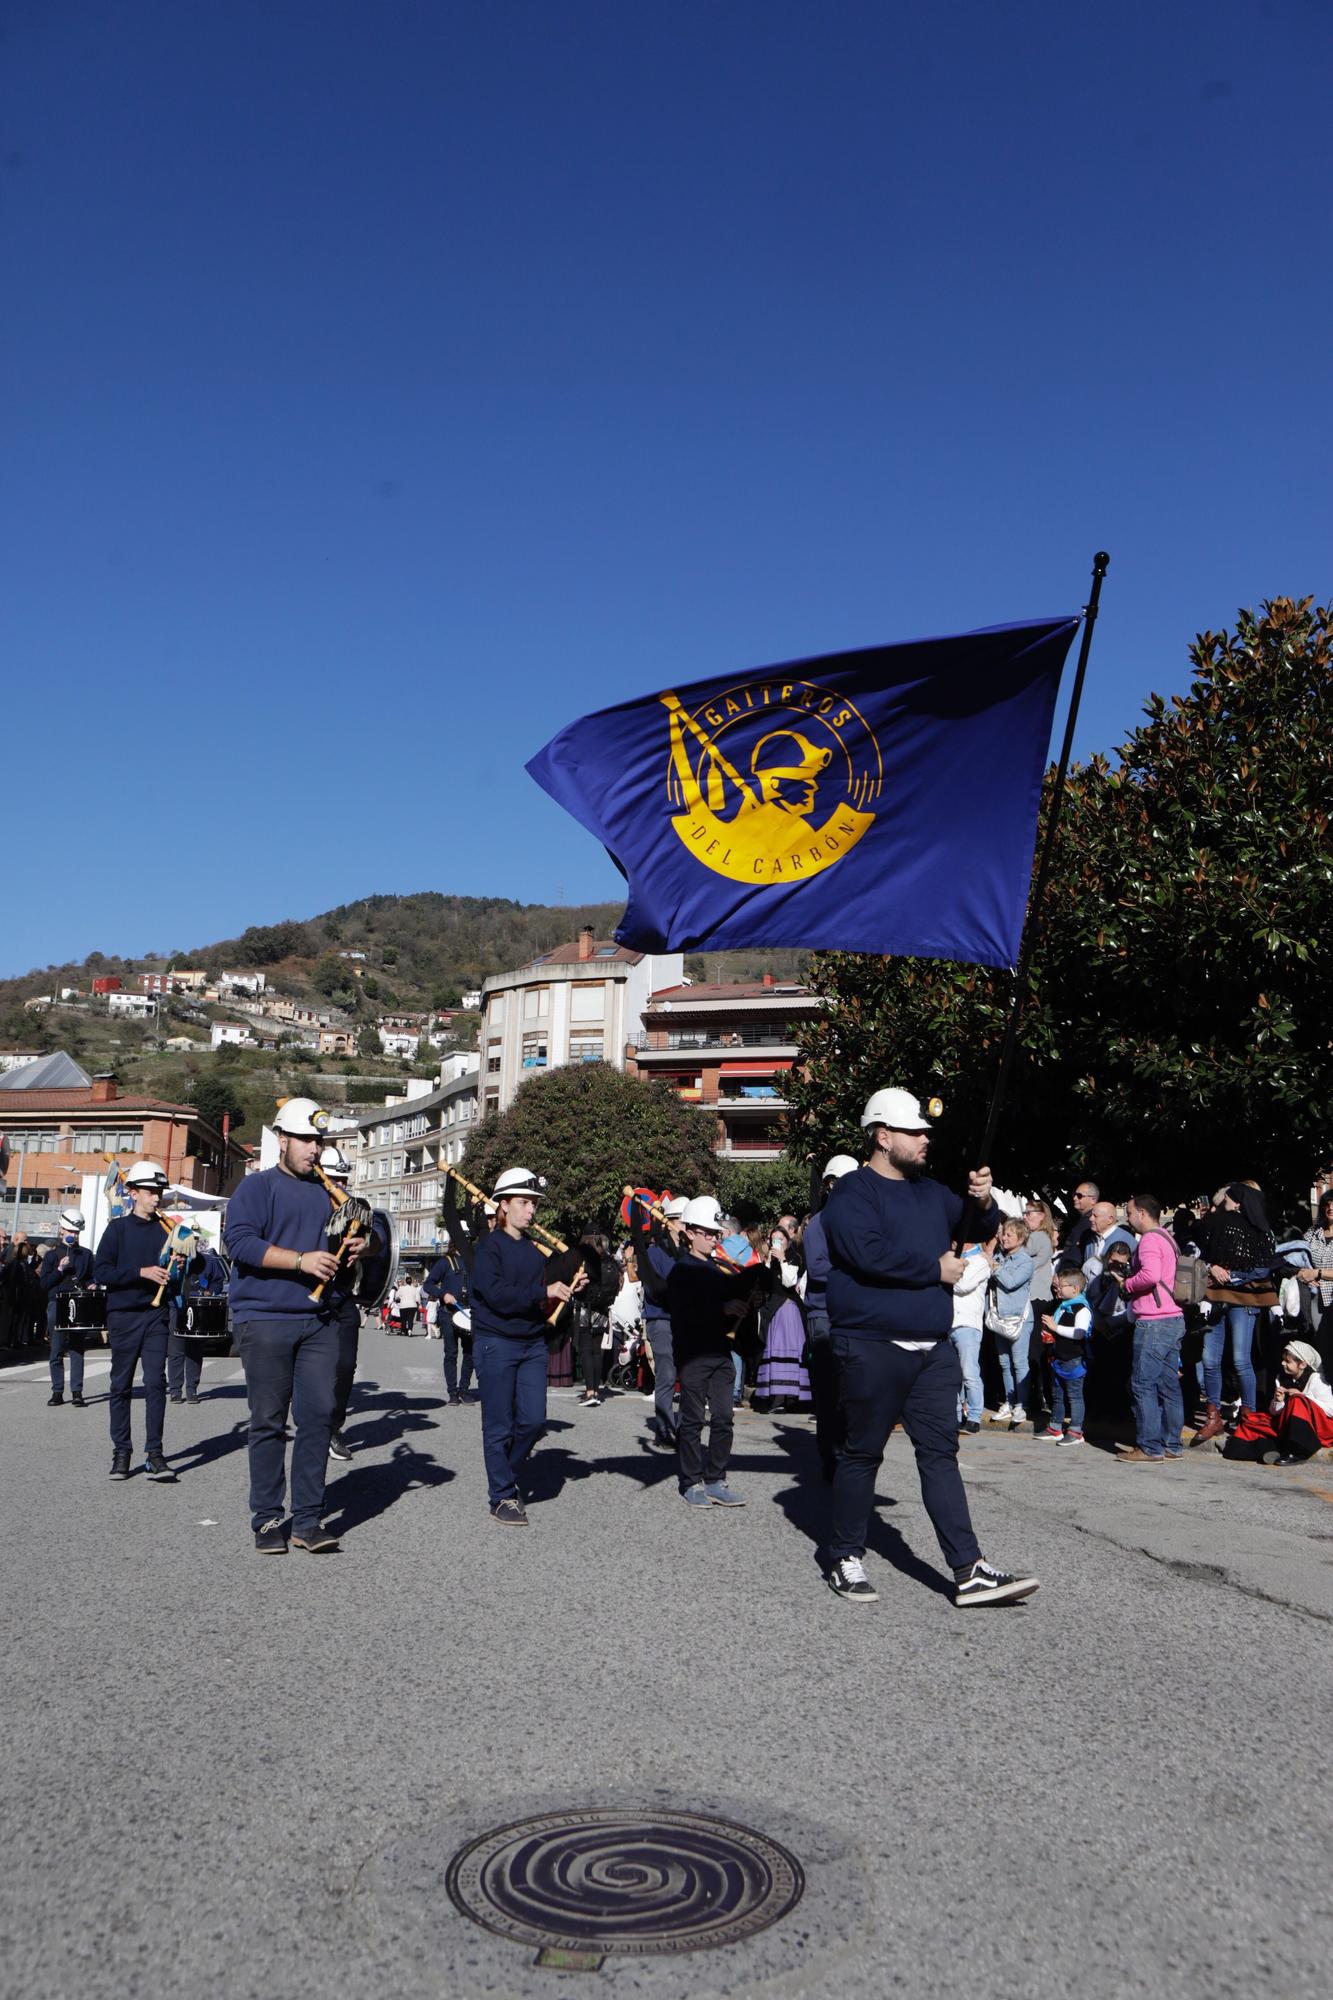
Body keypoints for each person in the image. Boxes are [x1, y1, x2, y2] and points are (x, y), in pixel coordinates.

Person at [823, 1086, 1039, 1608]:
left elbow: (982, 1223)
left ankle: (969, 1570)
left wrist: (983, 1198)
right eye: (914, 1132)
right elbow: (862, 1254)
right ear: (882, 1136)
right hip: (872, 1344)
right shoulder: (853, 1192)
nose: (926, 1140)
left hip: (934, 1349)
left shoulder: (932, 1191)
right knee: (862, 1453)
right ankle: (845, 1555)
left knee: (941, 1455)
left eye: (925, 1132)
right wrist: (931, 1269)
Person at [224, 1097, 364, 1555]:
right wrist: (301, 1260)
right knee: (267, 1420)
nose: (314, 1150)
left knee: (318, 1417)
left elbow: (368, 1236)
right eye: (305, 1140)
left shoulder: (327, 1192)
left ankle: (306, 1520)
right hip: (264, 1317)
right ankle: (267, 1519)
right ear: (282, 1140)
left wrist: (363, 1244)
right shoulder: (257, 1188)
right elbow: (240, 1243)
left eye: (318, 1141)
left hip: (318, 1320)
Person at [470, 1167, 583, 1525]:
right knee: (498, 1426)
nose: (531, 1211)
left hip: (532, 1342)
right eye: (523, 1202)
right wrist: (543, 1292)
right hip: (496, 1342)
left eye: (533, 1204)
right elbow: (498, 1296)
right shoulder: (487, 1248)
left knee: (534, 1422)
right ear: (503, 1205)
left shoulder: (537, 1253)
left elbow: (541, 1299)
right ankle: (501, 1495)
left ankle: (507, 1474)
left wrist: (565, 1290)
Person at [93, 1162, 200, 1483]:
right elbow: (101, 1272)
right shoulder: (117, 1229)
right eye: (150, 1192)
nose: (157, 1198)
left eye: (159, 1192)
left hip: (157, 1314)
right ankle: (121, 1452)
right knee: (120, 1384)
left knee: (156, 1382)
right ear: (133, 1193)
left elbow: (201, 1263)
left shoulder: (169, 1228)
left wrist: (187, 1255)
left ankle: (155, 1454)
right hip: (124, 1314)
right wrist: (141, 1272)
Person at [667, 1196, 754, 1507]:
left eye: (716, 1233)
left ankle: (716, 1479)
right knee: (692, 1420)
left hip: (720, 1353)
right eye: (707, 1232)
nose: (714, 1238)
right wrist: (723, 1308)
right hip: (693, 1355)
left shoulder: (718, 1269)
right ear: (689, 1233)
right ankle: (691, 1481)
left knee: (723, 1418)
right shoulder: (681, 1271)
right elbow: (684, 1315)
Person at [1115, 1193, 1186, 1465]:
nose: (1128, 1218)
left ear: (1143, 1213)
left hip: (1154, 1320)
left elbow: (1151, 1276)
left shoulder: (1149, 1240)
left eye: (1130, 1213)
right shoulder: (1168, 1238)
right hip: (1173, 1317)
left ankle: (1149, 1447)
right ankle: (1172, 1445)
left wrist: (1127, 1284)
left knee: (1143, 1383)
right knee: (1168, 1385)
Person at [316, 1145, 374, 1462]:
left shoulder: (355, 1209)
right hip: (307, 1297)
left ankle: (334, 1428)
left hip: (342, 1296)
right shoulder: (307, 1207)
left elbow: (377, 1240)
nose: (339, 1186)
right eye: (333, 1179)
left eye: (343, 1179)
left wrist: (365, 1245)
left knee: (346, 1365)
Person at [801, 1153, 858, 1478]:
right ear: (832, 1185)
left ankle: (849, 1454)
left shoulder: (860, 1221)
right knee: (828, 1393)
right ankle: (830, 1460)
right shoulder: (818, 1225)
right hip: (824, 1314)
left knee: (852, 1390)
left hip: (853, 1315)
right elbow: (819, 1269)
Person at [1204, 1183, 1277, 1427]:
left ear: (1237, 1202)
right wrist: (1211, 1267)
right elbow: (1204, 1256)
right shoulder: (1220, 1225)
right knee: (1210, 1359)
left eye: (1229, 1198)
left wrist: (1232, 1276)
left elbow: (1262, 1268)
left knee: (1240, 1359)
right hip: (1217, 1299)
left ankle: (1250, 1418)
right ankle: (1212, 1416)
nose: (1224, 1201)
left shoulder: (1260, 1231)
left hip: (1244, 1300)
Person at [629, 1192, 687, 1447]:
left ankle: (686, 1430)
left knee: (689, 1377)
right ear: (671, 1222)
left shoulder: (689, 1252)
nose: (689, 1228)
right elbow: (653, 1289)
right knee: (666, 1375)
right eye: (685, 1222)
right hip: (661, 1319)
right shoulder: (654, 1252)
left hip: (685, 1320)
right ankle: (664, 1430)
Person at [1222, 1340, 1333, 1463]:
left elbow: (1330, 1409)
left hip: (1318, 1428)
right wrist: (1278, 1401)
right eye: (1283, 1360)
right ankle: (1255, 1449)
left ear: (1302, 1364)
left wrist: (1303, 1396)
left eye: (1288, 1361)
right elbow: (1275, 1412)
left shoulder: (1316, 1379)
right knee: (1253, 1420)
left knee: (1297, 1400)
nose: (1283, 1363)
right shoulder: (1281, 1378)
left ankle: (1297, 1452)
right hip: (1292, 1426)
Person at [40, 1206, 95, 1408]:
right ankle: (57, 1391)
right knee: (56, 1350)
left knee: (77, 1349)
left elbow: (89, 1277)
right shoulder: (52, 1255)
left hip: (78, 1303)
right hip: (57, 1303)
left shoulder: (86, 1254)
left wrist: (91, 1284)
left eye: (77, 1232)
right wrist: (59, 1269)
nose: (74, 1235)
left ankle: (77, 1392)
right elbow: (44, 1284)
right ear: (62, 1230)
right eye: (71, 1231)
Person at [753, 1222, 810, 1412]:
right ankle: (776, 1396)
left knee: (789, 1350)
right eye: (773, 1239)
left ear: (787, 1240)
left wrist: (783, 1259)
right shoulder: (770, 1260)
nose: (776, 1242)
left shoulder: (794, 1257)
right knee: (774, 1349)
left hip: (788, 1308)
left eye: (780, 1239)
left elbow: (789, 1281)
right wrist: (769, 1262)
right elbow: (765, 1284)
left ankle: (792, 1398)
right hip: (773, 1310)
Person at [989, 1216, 1035, 1428]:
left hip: (1019, 1320)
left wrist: (995, 1267)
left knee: (1019, 1363)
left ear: (1020, 1237)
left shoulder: (1026, 1261)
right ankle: (1009, 1401)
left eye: (1009, 1235)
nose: (1004, 1238)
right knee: (1004, 1363)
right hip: (1000, 1318)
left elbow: (1011, 1282)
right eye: (1003, 1234)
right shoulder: (1000, 1256)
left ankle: (1021, 1405)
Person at [167, 1244, 228, 1404]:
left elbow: (218, 1281)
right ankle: (175, 1390)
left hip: (199, 1308)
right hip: (177, 1306)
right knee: (176, 1350)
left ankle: (192, 1389)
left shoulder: (208, 1261)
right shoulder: (172, 1260)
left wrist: (211, 1292)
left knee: (194, 1351)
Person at [1039, 1264, 1093, 1445]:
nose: (1058, 1289)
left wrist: (1055, 1327)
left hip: (1074, 1359)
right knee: (1057, 1394)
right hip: (1058, 1357)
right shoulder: (1063, 1305)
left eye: (1061, 1286)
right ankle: (1055, 1427)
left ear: (1075, 1289)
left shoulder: (1081, 1309)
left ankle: (1076, 1431)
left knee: (1074, 1396)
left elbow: (1079, 1333)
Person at [950, 1231, 993, 1435]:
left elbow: (962, 1285)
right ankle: (957, 1415)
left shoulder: (979, 1261)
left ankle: (974, 1416)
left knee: (969, 1373)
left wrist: (945, 1273)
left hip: (967, 1323)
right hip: (949, 1323)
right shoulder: (954, 1259)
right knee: (952, 1374)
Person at [423, 1230, 473, 1405]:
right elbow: (428, 1284)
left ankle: (464, 1390)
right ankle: (452, 1392)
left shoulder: (474, 1262)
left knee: (470, 1354)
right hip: (448, 1314)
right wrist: (443, 1294)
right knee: (451, 1354)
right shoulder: (445, 1262)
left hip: (469, 1316)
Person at [571, 1231, 618, 1407]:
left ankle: (590, 1392)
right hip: (603, 1310)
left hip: (586, 1309)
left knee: (585, 1350)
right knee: (597, 1351)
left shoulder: (587, 1261)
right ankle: (596, 1390)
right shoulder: (611, 1261)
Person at [1296, 1192, 1333, 1370]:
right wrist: (1304, 1274)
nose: (1330, 1207)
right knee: (1321, 1344)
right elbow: (1298, 1259)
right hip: (1315, 1297)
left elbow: (1315, 1271)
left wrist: (1317, 1273)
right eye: (1327, 1204)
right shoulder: (1312, 1233)